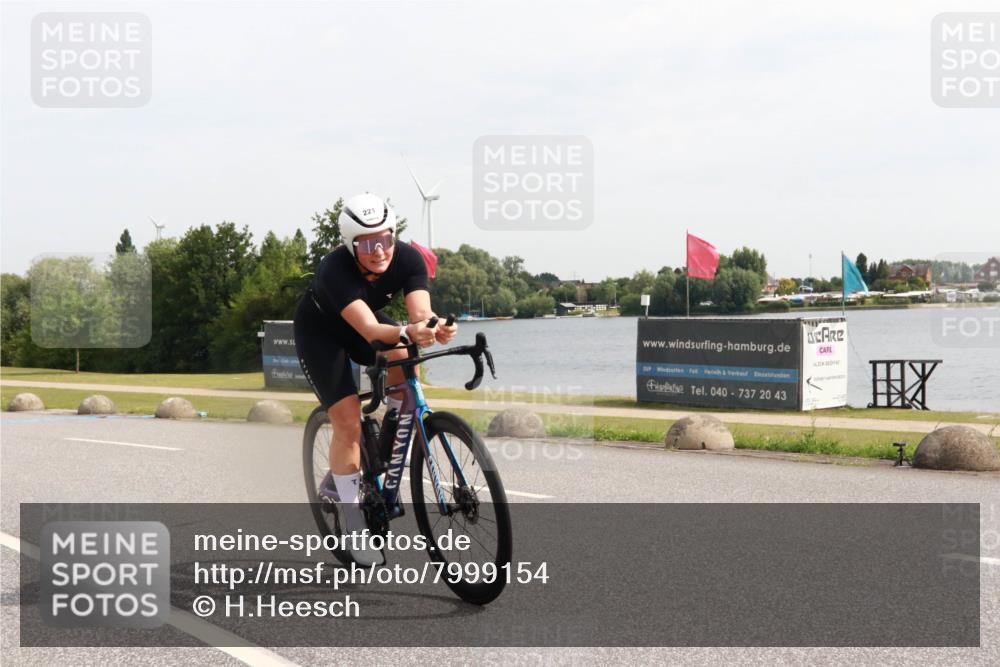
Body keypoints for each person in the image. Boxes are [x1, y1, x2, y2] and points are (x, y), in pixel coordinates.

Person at [293, 193, 456, 566]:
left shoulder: (409, 258)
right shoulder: (334, 269)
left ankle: (386, 445)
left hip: (366, 324)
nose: (379, 250)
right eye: (367, 243)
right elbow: (368, 329)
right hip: (323, 334)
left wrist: (436, 327)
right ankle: (354, 524)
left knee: (403, 358)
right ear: (351, 245)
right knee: (348, 421)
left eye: (385, 238)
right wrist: (409, 331)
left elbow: (420, 315)